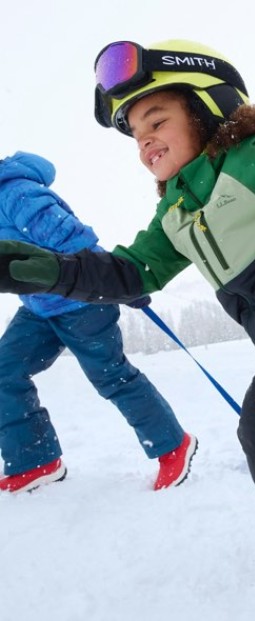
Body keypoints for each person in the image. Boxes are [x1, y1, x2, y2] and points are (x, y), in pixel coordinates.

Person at [0, 39, 255, 608]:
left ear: (206, 111)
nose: (146, 142)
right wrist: (51, 272)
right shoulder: (177, 212)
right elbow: (132, 272)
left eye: (157, 120)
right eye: (137, 135)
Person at [0, 151, 198, 494]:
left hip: (82, 300)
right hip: (39, 307)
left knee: (111, 377)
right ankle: (36, 461)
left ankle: (173, 445)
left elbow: (75, 240)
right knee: (3, 372)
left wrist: (117, 283)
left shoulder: (17, 193)